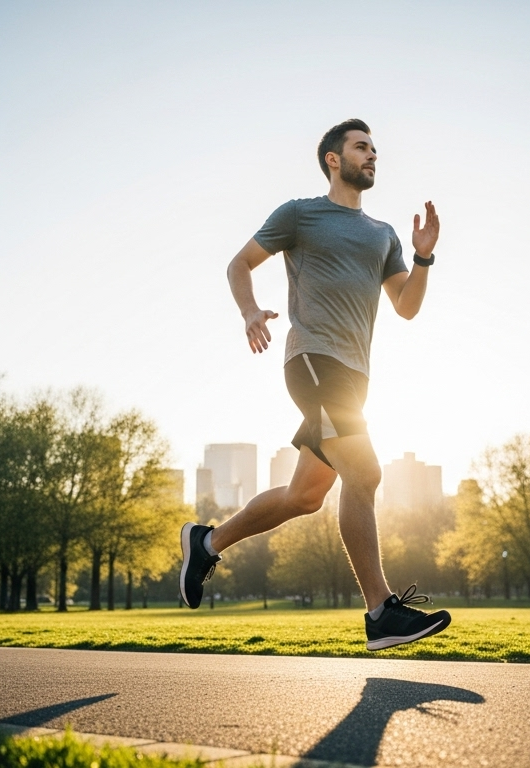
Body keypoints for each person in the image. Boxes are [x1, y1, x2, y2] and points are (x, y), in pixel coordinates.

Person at [179, 118, 451, 651]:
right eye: (361, 147)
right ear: (333, 159)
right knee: (366, 473)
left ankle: (206, 542)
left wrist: (422, 257)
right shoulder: (301, 214)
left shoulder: (383, 235)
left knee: (306, 496)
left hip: (356, 378)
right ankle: (380, 614)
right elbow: (240, 263)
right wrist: (250, 309)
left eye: (374, 148)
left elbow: (408, 307)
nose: (372, 155)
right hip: (312, 361)